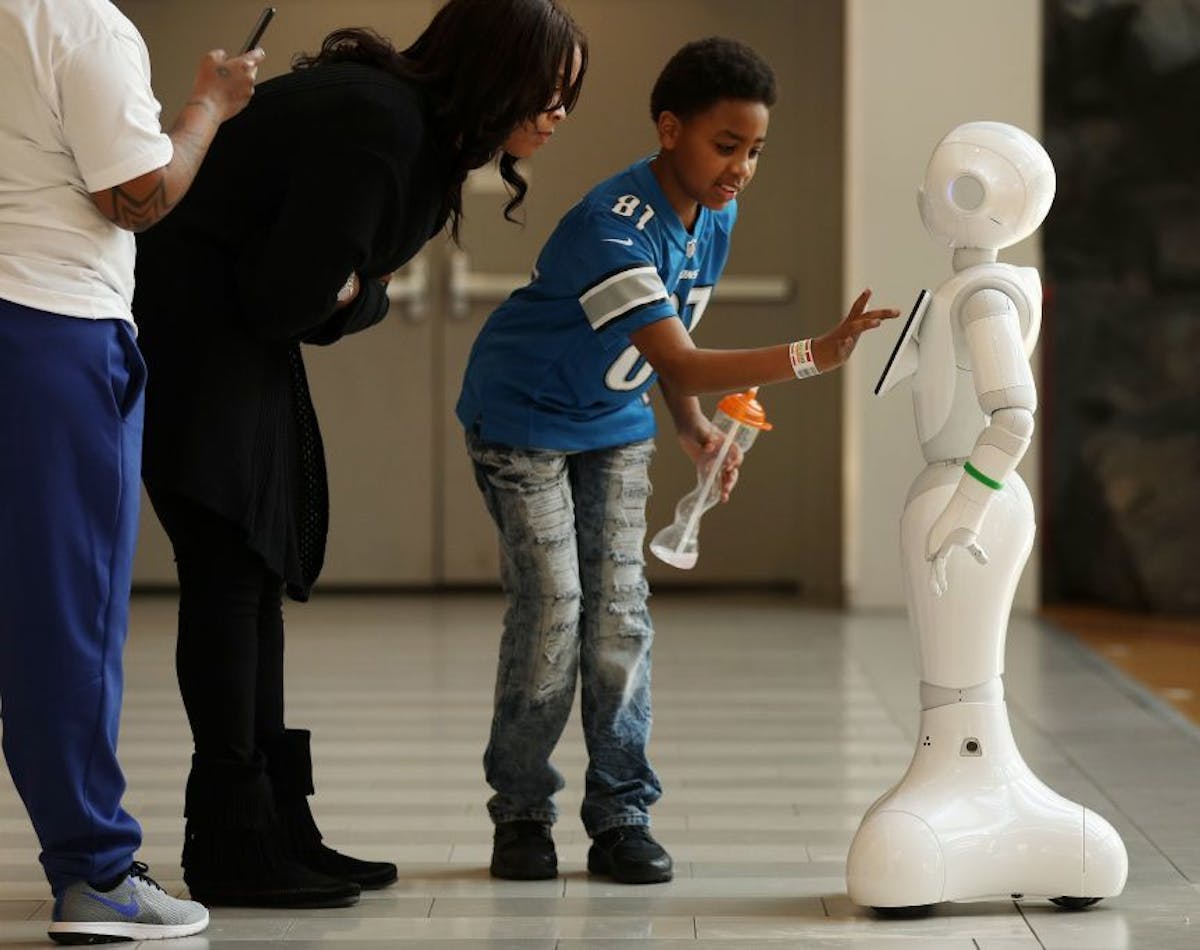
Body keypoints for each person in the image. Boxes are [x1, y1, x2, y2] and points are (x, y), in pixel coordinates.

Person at [131, 0, 586, 909]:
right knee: (230, 574)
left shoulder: (399, 121)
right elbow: (288, 298)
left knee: (252, 572)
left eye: (570, 97)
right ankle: (231, 844)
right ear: (494, 70)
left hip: (220, 334)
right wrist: (355, 288)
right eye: (548, 90)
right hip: (198, 335)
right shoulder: (384, 130)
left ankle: (270, 826)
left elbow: (316, 293)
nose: (557, 113)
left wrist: (352, 287)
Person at [456, 36, 897, 886]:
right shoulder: (607, 229)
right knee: (554, 613)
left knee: (619, 615)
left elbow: (669, 349)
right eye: (725, 146)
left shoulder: (715, 210)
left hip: (614, 423)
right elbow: (687, 358)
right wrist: (816, 354)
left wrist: (692, 430)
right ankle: (521, 812)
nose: (741, 168)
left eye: (755, 150)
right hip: (524, 421)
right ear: (669, 130)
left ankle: (622, 813)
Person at [0, 0, 261, 942]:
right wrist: (209, 105)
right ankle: (97, 875)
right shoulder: (76, 21)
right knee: (64, 618)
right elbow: (136, 194)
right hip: (50, 327)